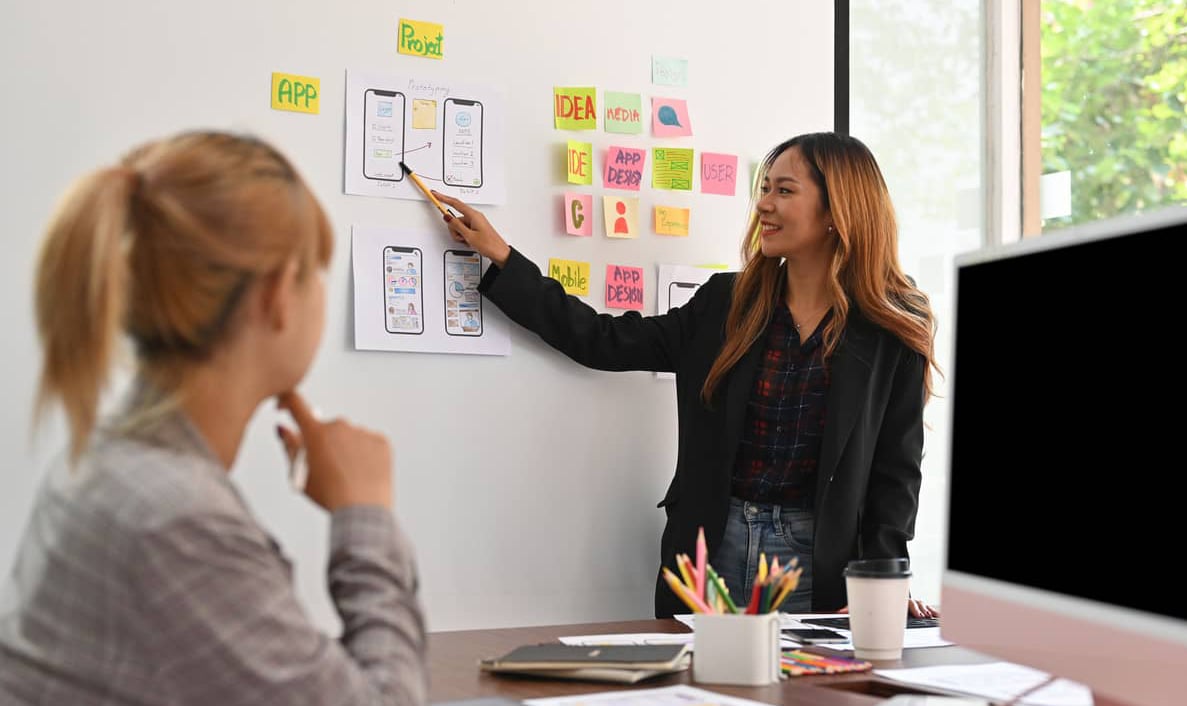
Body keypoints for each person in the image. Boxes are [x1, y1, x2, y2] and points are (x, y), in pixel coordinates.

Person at [435, 132, 938, 619]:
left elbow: (896, 471)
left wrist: (885, 579)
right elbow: (602, 339)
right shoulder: (726, 303)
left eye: (785, 191)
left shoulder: (891, 324)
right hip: (712, 548)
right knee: (699, 676)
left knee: (803, 679)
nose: (764, 204)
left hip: (818, 560)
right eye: (765, 188)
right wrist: (504, 259)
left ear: (837, 211)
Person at [0, 132, 427, 704]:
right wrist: (365, 514)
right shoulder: (177, 521)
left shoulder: (109, 461)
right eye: (316, 274)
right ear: (279, 294)